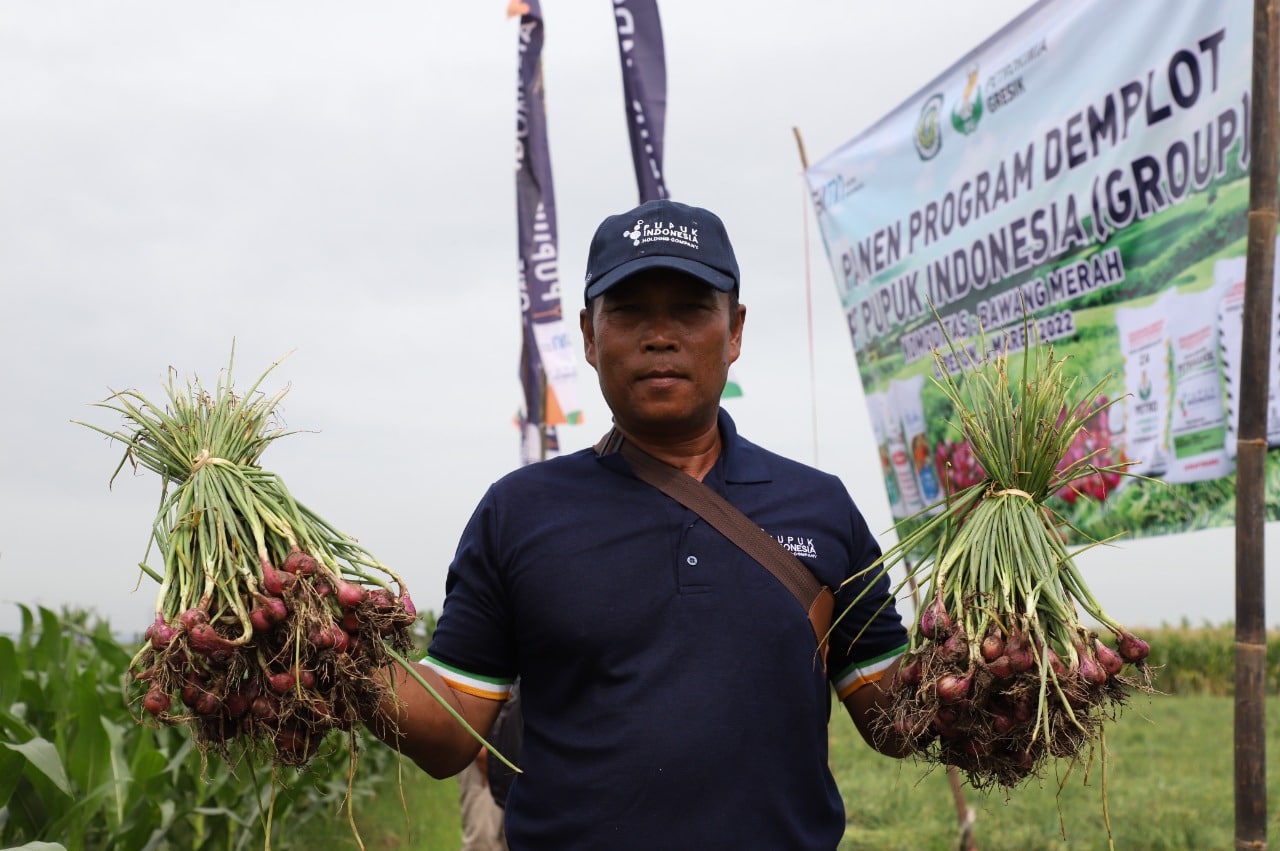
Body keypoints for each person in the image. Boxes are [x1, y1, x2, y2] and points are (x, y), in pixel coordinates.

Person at [368, 198, 912, 850]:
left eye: (690, 308)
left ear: (734, 330)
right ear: (590, 337)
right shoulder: (518, 512)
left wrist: (995, 662)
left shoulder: (820, 507)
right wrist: (335, 658)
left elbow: (894, 720)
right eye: (628, 311)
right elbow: (451, 728)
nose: (660, 334)